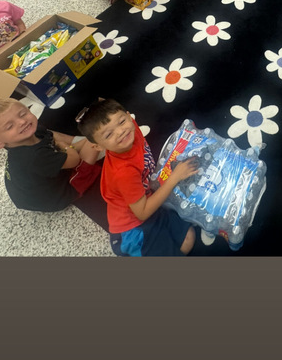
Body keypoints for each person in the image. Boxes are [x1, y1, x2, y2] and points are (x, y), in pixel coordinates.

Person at [77, 98, 199, 256]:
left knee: (188, 239)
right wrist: (174, 177)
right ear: (98, 147)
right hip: (132, 228)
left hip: (146, 199)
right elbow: (141, 213)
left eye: (121, 122)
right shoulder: (123, 172)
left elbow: (110, 111)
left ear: (129, 116)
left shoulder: (130, 129)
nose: (121, 132)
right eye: (109, 134)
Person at [0, 98, 102, 212]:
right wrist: (66, 146)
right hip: (55, 198)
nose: (22, 122)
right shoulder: (34, 157)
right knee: (94, 140)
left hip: (34, 185)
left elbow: (53, 136)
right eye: (9, 126)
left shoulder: (30, 130)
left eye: (23, 114)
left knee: (85, 141)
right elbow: (74, 160)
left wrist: (68, 145)